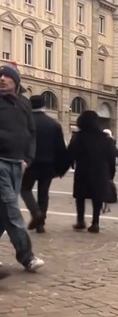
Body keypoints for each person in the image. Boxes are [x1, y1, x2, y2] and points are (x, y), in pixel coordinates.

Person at [0, 63, 44, 271]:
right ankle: (27, 257)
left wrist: (28, 157)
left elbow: (31, 133)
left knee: (3, 213)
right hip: (0, 163)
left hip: (18, 164)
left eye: (6, 76)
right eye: (0, 77)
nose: (2, 79)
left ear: (15, 81)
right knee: (12, 210)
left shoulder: (24, 104)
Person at [20, 95, 68, 233]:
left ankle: (35, 212)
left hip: (30, 163)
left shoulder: (26, 122)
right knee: (44, 192)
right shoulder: (54, 124)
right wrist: (60, 168)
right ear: (44, 105)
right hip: (48, 164)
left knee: (25, 188)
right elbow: (60, 147)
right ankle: (41, 223)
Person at [68, 111, 116, 233]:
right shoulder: (105, 139)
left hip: (83, 171)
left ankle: (80, 220)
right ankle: (95, 222)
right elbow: (111, 158)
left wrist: (63, 167)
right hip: (100, 172)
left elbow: (69, 154)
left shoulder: (78, 137)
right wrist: (111, 174)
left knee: (80, 196)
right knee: (97, 197)